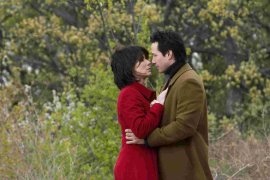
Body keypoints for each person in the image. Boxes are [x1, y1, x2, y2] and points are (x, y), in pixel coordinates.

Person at [125, 31, 213, 180]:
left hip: (186, 171)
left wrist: (147, 140)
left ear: (169, 54)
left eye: (155, 55)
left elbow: (184, 126)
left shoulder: (189, 81)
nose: (152, 61)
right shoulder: (174, 78)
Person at [111, 45, 168, 180]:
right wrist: (158, 105)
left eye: (147, 59)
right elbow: (140, 129)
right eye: (141, 60)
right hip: (134, 166)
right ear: (129, 67)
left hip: (143, 162)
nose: (149, 62)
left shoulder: (140, 94)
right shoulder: (128, 94)